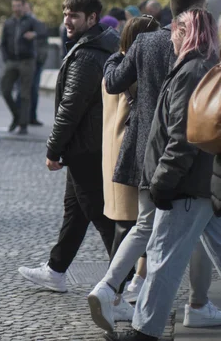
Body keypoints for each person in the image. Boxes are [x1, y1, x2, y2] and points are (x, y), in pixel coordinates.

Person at [92, 0, 221, 336]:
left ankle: (143, 330)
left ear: (184, 31)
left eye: (175, 34)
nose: (170, 40)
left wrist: (163, 180)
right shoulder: (196, 65)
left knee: (163, 258)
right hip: (193, 181)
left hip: (183, 184)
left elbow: (181, 136)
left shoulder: (193, 70)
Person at [17, 0, 118, 292]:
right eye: (65, 14)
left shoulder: (87, 55)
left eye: (74, 15)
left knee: (101, 217)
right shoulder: (99, 43)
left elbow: (70, 108)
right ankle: (56, 270)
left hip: (86, 148)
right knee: (75, 213)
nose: (67, 21)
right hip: (87, 146)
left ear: (92, 18)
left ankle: (127, 282)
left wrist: (53, 149)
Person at [88, 17, 162, 329]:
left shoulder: (115, 65)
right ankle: (116, 292)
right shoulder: (129, 70)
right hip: (131, 153)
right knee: (135, 225)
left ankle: (131, 286)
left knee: (139, 224)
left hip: (116, 151)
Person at [0, 0, 38, 135]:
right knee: (5, 89)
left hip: (27, 61)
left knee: (24, 93)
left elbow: (43, 33)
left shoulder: (31, 21)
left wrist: (34, 34)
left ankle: (23, 124)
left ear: (23, 6)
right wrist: (6, 58)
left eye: (18, 5)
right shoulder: (8, 23)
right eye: (14, 6)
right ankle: (16, 116)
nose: (16, 8)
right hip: (11, 61)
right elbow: (3, 42)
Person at [18, 1, 49, 127]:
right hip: (25, 61)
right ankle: (22, 117)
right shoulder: (20, 23)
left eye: (26, 9)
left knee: (33, 89)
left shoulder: (37, 24)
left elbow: (43, 34)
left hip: (36, 61)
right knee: (24, 90)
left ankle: (31, 116)